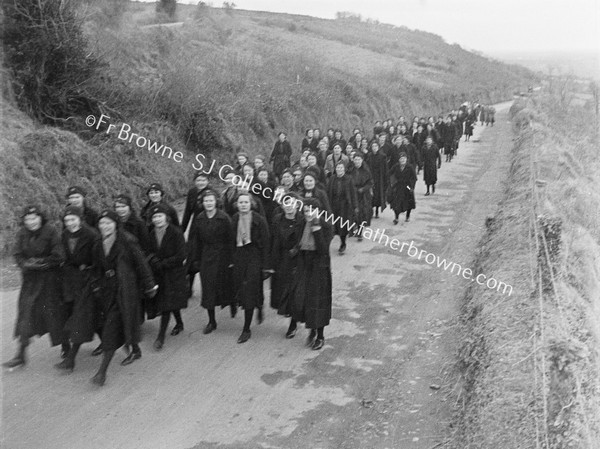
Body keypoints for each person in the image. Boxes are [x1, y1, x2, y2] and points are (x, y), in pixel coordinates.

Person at [90, 210, 157, 386]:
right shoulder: (98, 243)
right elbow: (96, 267)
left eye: (108, 223)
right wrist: (96, 284)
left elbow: (141, 263)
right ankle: (135, 349)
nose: (105, 227)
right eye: (102, 223)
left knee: (112, 328)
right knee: (121, 323)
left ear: (116, 224)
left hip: (125, 290)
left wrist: (150, 284)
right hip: (107, 291)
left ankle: (101, 373)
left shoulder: (127, 241)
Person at [3, 206, 67, 369]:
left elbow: (59, 255)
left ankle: (66, 348)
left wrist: (41, 263)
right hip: (30, 282)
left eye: (34, 218)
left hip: (49, 282)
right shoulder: (22, 233)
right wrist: (25, 263)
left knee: (55, 316)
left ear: (41, 218)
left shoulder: (51, 231)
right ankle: (20, 355)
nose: (31, 222)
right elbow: (17, 254)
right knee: (26, 315)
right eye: (27, 219)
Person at [55, 206, 99, 372]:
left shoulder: (91, 234)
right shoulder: (65, 234)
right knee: (69, 313)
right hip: (71, 280)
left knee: (79, 318)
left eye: (73, 219)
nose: (70, 223)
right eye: (67, 221)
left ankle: (71, 359)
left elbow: (98, 260)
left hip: (88, 280)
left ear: (80, 219)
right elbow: (66, 257)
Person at [189, 190, 235, 334]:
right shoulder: (200, 218)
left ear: (216, 202)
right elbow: (195, 241)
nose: (208, 203)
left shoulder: (224, 218)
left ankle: (232, 302)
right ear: (202, 203)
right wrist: (195, 259)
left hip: (222, 256)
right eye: (206, 201)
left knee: (225, 285)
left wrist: (232, 259)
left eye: (211, 200)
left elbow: (231, 240)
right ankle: (212, 321)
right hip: (206, 256)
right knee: (208, 288)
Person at [230, 192, 271, 343]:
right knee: (243, 288)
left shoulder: (259, 220)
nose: (243, 205)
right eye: (240, 203)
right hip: (240, 257)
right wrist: (231, 260)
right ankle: (258, 305)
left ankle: (246, 329)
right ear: (237, 205)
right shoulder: (234, 219)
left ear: (251, 204)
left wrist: (266, 267)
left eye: (246, 202)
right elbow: (230, 241)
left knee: (249, 291)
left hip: (254, 257)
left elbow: (266, 244)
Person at [146, 204, 187, 350]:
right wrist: (153, 260)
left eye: (160, 216)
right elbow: (149, 251)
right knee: (168, 301)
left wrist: (164, 263)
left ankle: (160, 337)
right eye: (154, 217)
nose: (157, 219)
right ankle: (179, 323)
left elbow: (182, 254)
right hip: (159, 274)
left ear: (167, 218)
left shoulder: (176, 232)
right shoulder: (151, 234)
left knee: (166, 304)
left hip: (173, 273)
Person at [293, 198, 333, 350]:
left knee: (318, 302)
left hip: (320, 267)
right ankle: (311, 330)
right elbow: (298, 243)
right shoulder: (302, 223)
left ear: (319, 211)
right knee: (303, 298)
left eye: (312, 210)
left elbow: (323, 249)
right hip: (304, 265)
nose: (309, 214)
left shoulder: (326, 226)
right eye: (306, 211)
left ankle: (320, 336)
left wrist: (316, 228)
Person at [269, 192, 304, 337]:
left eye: (292, 203)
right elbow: (273, 240)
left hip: (298, 260)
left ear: (297, 204)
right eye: (286, 203)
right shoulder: (277, 219)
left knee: (295, 292)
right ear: (282, 205)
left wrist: (296, 249)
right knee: (282, 289)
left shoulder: (302, 220)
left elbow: (306, 239)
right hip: (281, 260)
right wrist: (271, 262)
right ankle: (288, 311)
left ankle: (293, 324)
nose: (289, 207)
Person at [327, 161, 357, 254]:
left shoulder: (349, 179)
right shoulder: (332, 178)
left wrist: (355, 206)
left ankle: (343, 243)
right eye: (337, 168)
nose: (339, 169)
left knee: (342, 225)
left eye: (341, 167)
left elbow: (353, 193)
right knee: (332, 225)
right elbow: (328, 192)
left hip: (344, 206)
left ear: (344, 169)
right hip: (333, 205)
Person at [349, 153, 373, 239]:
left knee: (362, 213)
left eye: (359, 159)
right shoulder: (350, 170)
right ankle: (353, 228)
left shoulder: (366, 171)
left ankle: (360, 231)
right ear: (353, 160)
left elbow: (370, 183)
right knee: (353, 213)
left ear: (362, 160)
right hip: (353, 194)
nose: (357, 161)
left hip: (363, 195)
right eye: (355, 159)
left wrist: (363, 189)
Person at [388, 153, 417, 224]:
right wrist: (392, 182)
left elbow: (414, 178)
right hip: (398, 186)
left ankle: (407, 216)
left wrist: (411, 187)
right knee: (395, 202)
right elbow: (389, 174)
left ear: (406, 159)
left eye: (404, 158)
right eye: (401, 158)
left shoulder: (410, 167)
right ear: (399, 160)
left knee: (409, 202)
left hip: (407, 186)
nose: (402, 160)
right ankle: (396, 217)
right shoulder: (396, 166)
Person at [368, 142, 388, 219]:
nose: (374, 147)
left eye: (376, 146)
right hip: (371, 176)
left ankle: (377, 210)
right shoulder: (369, 156)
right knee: (371, 194)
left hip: (379, 178)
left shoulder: (383, 156)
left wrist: (385, 179)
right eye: (373, 146)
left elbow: (385, 168)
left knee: (378, 195)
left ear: (378, 147)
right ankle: (371, 210)